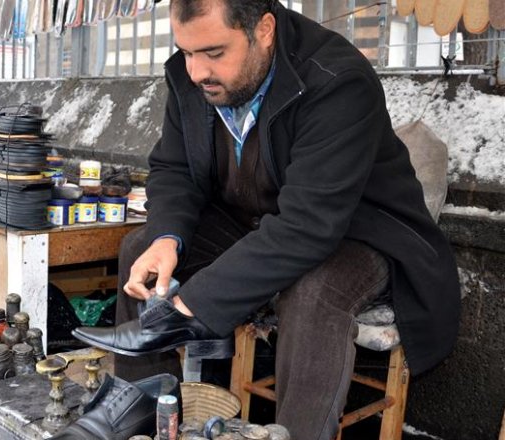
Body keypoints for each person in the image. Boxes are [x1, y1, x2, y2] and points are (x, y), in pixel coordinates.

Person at [72, 0, 461, 438]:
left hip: (361, 232)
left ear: (264, 30)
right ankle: (148, 416)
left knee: (315, 290)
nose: (197, 72)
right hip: (256, 221)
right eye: (187, 53)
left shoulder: (338, 81)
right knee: (142, 249)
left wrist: (189, 307)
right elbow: (175, 169)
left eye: (215, 53)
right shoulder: (191, 73)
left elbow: (308, 224)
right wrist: (167, 238)